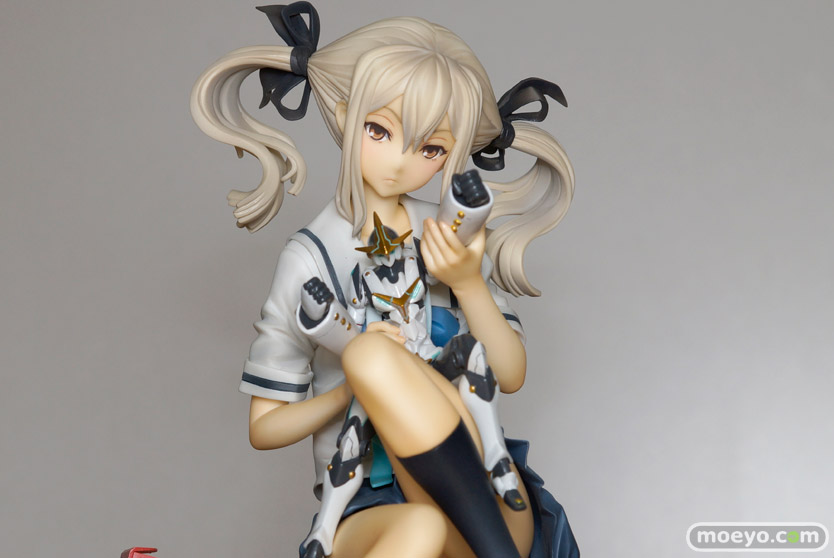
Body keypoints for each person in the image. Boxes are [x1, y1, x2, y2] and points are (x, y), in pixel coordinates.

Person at [190, 3, 578, 557]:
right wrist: (359, 384)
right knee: (416, 517)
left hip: (482, 494)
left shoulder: (449, 232)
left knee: (383, 373)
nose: (400, 161)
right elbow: (265, 428)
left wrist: (468, 282)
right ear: (345, 115)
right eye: (379, 130)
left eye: (431, 148)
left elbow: (510, 374)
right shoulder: (311, 258)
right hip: (369, 508)